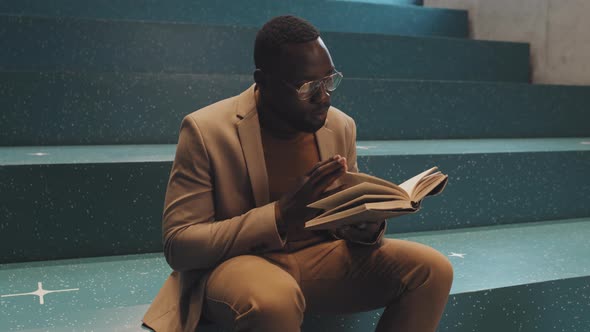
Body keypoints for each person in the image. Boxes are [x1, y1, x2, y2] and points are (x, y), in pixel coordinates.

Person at [142, 15, 453, 332]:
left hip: (318, 259)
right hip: (238, 264)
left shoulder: (340, 125)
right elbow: (180, 246)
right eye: (308, 87)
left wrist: (363, 227)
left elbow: (345, 216)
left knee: (432, 269)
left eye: (329, 80)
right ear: (262, 81)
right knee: (273, 300)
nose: (325, 97)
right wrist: (280, 215)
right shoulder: (206, 130)